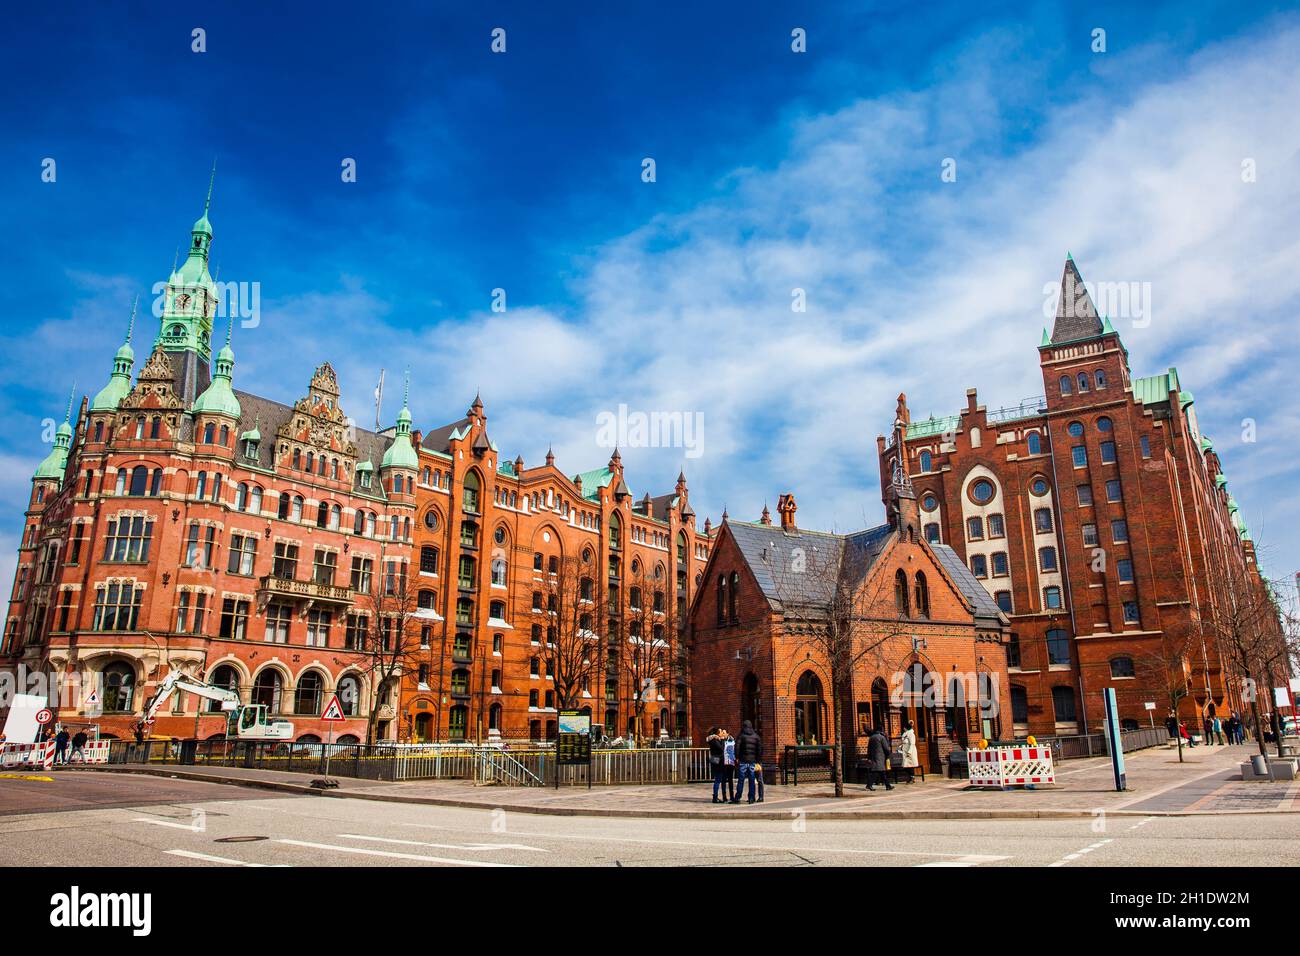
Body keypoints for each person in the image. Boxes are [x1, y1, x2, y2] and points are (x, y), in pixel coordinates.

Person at [732, 720, 762, 804]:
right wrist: (758, 760)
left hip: (743, 760)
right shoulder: (756, 736)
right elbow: (759, 749)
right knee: (752, 780)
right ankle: (751, 798)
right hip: (753, 761)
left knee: (741, 779)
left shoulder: (741, 735)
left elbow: (737, 747)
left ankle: (737, 797)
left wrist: (737, 757)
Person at [865, 726, 894, 791]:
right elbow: (886, 748)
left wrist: (869, 757)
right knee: (877, 771)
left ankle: (887, 785)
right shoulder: (881, 737)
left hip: (874, 756)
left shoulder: (871, 738)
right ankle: (869, 785)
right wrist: (888, 755)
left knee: (881, 772)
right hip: (880, 756)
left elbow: (869, 749)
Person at [707, 727, 728, 804]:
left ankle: (720, 796)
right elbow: (721, 748)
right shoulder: (714, 740)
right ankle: (715, 797)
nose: (722, 732)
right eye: (720, 731)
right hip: (717, 762)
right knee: (718, 780)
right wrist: (723, 739)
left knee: (720, 780)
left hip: (718, 761)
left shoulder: (715, 740)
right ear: (717, 733)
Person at [722, 730, 737, 802]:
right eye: (722, 732)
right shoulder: (721, 741)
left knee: (730, 780)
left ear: (727, 733)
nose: (723, 734)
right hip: (724, 763)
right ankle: (724, 797)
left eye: (724, 733)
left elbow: (733, 750)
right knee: (723, 780)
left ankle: (732, 796)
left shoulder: (732, 740)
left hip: (731, 762)